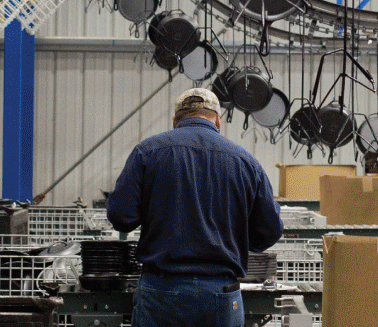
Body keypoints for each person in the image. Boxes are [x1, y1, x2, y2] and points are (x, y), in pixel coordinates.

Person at [107, 87, 284, 327]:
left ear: (175, 120)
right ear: (217, 120)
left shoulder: (147, 152)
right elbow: (269, 232)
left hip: (162, 290)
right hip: (221, 292)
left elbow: (121, 216)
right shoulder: (245, 161)